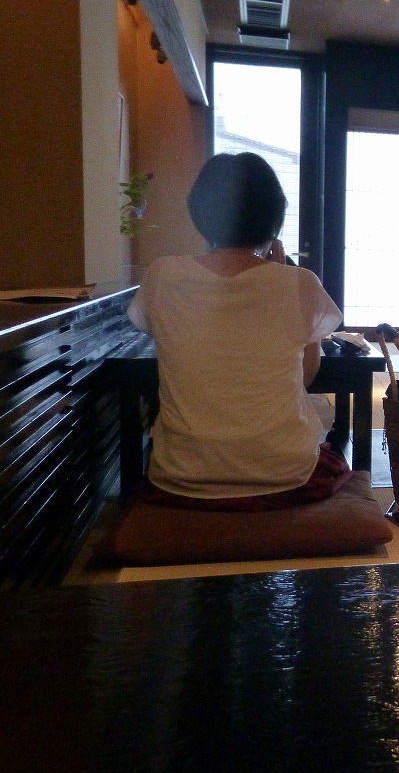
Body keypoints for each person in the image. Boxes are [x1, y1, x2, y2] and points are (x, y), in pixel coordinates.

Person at [128, 152, 348, 510]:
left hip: (182, 474)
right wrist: (282, 275)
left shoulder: (162, 275)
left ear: (201, 211)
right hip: (283, 475)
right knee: (333, 458)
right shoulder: (300, 283)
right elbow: (306, 376)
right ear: (273, 217)